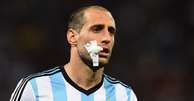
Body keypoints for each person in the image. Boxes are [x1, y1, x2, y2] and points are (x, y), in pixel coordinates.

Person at [10, 5, 138, 101]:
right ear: (73, 37)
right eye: (97, 29)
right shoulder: (34, 87)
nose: (107, 38)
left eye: (111, 31)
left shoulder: (124, 95)